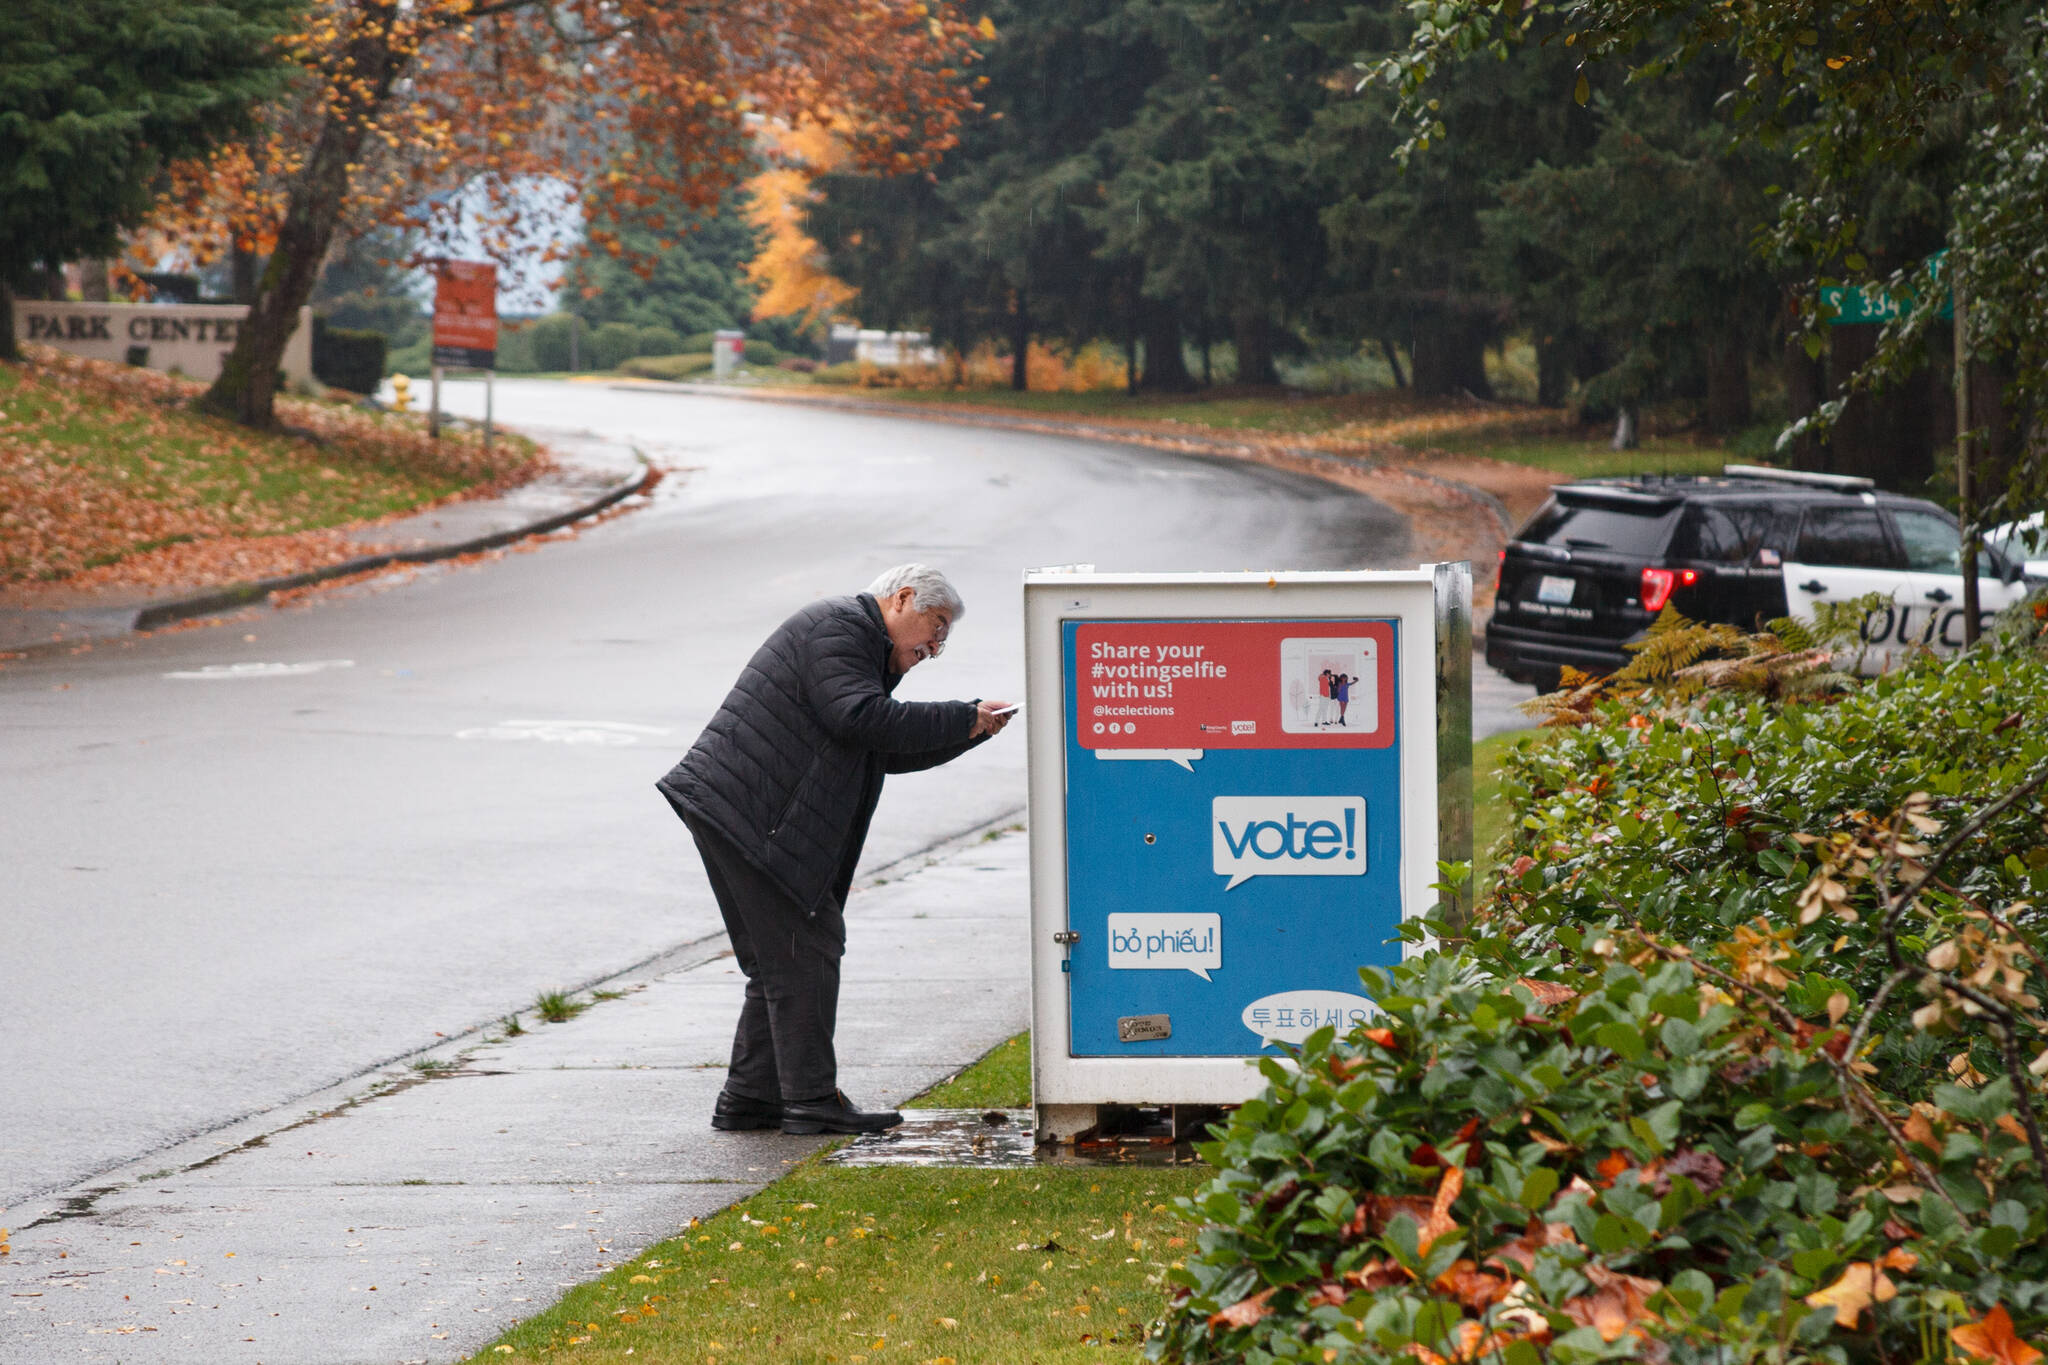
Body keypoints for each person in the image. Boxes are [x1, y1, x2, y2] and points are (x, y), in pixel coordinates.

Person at [655, 564, 1014, 1136]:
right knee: (807, 948)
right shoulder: (840, 628)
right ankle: (811, 1101)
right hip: (751, 813)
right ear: (901, 600)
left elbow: (878, 749)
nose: (937, 647)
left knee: (779, 961)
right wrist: (958, 716)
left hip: (741, 810)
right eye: (936, 627)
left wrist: (969, 730)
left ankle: (750, 1100)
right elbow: (860, 719)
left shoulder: (860, 645)